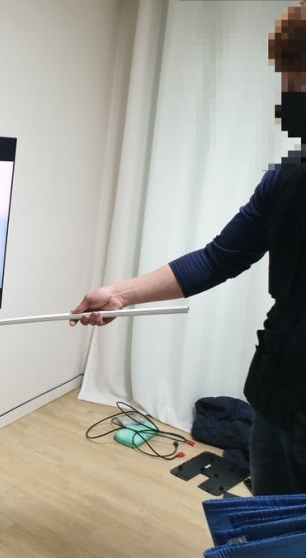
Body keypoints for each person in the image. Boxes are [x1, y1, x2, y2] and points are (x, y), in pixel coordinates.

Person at [69, 3, 306, 496]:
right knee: (265, 523)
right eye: (290, 82)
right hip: (275, 397)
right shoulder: (287, 178)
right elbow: (219, 257)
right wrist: (121, 295)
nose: (291, 99)